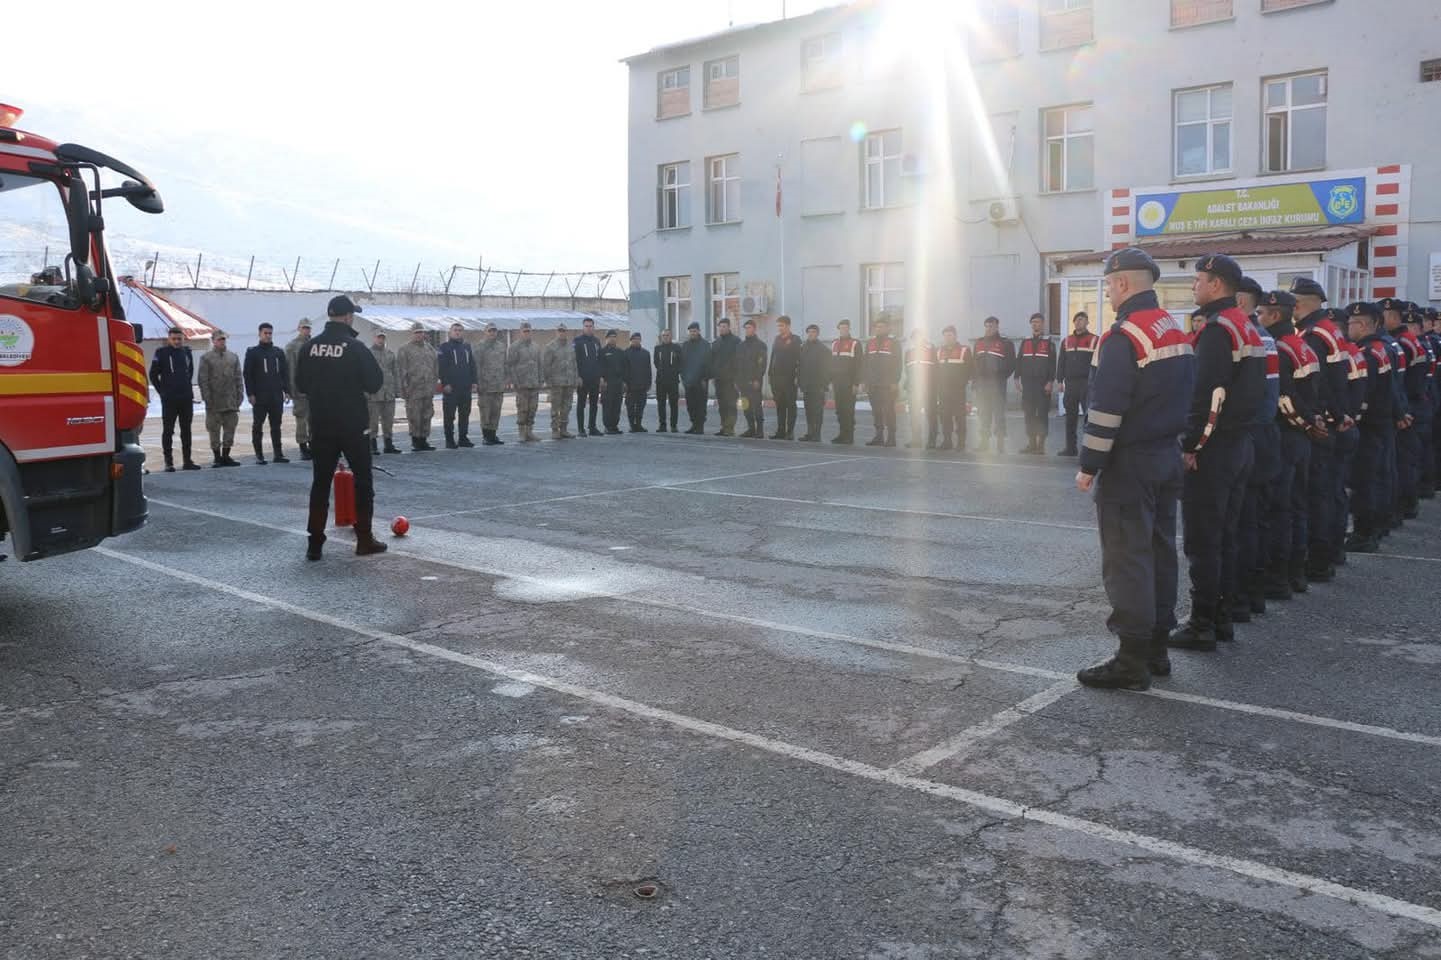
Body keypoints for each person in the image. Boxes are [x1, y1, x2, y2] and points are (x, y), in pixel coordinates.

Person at [1073, 248, 1195, 691]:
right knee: (1160, 551)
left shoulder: (1122, 334)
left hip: (1131, 462)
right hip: (1166, 455)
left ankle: (1131, 659)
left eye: (1108, 284)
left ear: (1122, 282)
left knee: (1128, 557)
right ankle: (1157, 648)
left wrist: (1089, 464)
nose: (1107, 292)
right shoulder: (1171, 328)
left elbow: (1106, 409)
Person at [1168, 254, 1265, 653]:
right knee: (1226, 534)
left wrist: (1192, 445)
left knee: (1203, 539)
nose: (1194, 286)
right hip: (1241, 444)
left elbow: (1207, 395)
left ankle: (1202, 622)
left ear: (1217, 284)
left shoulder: (1216, 329)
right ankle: (1221, 616)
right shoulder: (1245, 324)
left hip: (1215, 447)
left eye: (1199, 279)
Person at [294, 295, 386, 562]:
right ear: (347, 317)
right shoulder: (355, 347)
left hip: (321, 423)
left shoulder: (309, 347)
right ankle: (364, 539)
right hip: (353, 425)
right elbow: (374, 384)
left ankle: (315, 544)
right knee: (363, 482)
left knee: (320, 483)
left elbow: (300, 383)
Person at [1261, 290, 1323, 601]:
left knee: (1280, 508)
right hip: (1302, 436)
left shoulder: (1281, 348)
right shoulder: (1303, 344)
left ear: (1275, 315)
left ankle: (1279, 578)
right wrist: (1313, 422)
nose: (1258, 319)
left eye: (1262, 314)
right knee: (1298, 505)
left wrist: (1305, 424)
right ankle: (1296, 572)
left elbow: (1284, 399)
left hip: (1287, 435)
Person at [1290, 277, 1349, 583]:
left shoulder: (1312, 334)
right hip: (1336, 418)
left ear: (1300, 303)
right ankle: (1331, 552)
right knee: (1330, 491)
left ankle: (1318, 560)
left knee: (1315, 495)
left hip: (1321, 423)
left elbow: (1317, 383)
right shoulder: (1330, 329)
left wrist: (1318, 418)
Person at [1230, 276, 1280, 622]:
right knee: (1257, 520)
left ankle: (1240, 600)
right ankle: (1253, 595)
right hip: (1265, 433)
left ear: (1242, 302)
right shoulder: (1266, 337)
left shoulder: (1247, 336)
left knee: (1242, 522)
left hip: (1250, 435)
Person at [1344, 302, 1395, 553]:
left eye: (1350, 323)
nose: (1347, 328)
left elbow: (1364, 392)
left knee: (1364, 482)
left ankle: (1364, 534)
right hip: (1381, 422)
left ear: (1363, 325)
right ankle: (1375, 527)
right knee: (1377, 477)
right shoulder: (1380, 348)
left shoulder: (1366, 352)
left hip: (1369, 425)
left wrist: (1353, 417)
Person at [148, 326, 200, 472]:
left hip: (185, 398)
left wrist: (185, 388)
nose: (177, 341)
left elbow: (189, 372)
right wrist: (162, 392)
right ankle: (169, 462)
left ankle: (187, 461)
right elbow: (153, 375)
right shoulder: (161, 353)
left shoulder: (186, 352)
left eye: (179, 339)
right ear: (169, 339)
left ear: (183, 339)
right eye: (174, 339)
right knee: (168, 430)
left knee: (186, 430)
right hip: (169, 399)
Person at [243, 321, 291, 465]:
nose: (268, 336)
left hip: (276, 396)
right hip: (260, 397)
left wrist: (287, 391)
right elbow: (247, 374)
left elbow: (284, 373)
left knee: (276, 426)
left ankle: (278, 454)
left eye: (270, 333)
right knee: (258, 425)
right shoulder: (253, 352)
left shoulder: (278, 352)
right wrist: (250, 394)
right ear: (259, 334)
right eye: (265, 333)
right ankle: (259, 455)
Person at [197, 330, 242, 468]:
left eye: (223, 339)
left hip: (230, 401)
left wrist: (240, 395)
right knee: (214, 430)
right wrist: (207, 398)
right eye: (219, 339)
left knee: (230, 430)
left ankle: (226, 456)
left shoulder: (233, 357)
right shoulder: (206, 358)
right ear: (213, 341)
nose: (221, 342)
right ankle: (217, 457)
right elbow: (203, 380)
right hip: (214, 401)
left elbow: (238, 377)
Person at [1056, 312, 1098, 457]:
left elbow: (1099, 363)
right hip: (1071, 383)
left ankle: (1089, 450)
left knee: (1089, 417)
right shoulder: (1066, 341)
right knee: (1070, 418)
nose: (1079, 322)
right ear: (1074, 322)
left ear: (1087, 322)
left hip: (1087, 383)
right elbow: (1061, 362)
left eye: (1082, 320)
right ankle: (1070, 448)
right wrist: (1059, 381)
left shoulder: (1094, 340)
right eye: (1077, 320)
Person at [1015, 312, 1056, 455]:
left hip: (1042, 385)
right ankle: (1031, 444)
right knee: (1029, 414)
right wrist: (1016, 379)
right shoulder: (1025, 342)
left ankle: (1041, 445)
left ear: (1043, 324)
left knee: (1042, 414)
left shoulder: (1049, 342)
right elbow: (1019, 360)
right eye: (1033, 322)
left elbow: (1052, 364)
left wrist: (1050, 382)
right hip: (1028, 384)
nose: (1035, 324)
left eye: (1038, 322)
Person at [972, 316, 1015, 453]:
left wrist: (1000, 376)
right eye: (987, 326)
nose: (989, 328)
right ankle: (984, 443)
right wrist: (975, 382)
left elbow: (1011, 364)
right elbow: (974, 365)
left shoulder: (1005, 343)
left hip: (998, 384)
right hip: (982, 385)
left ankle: (1000, 445)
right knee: (984, 414)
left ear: (997, 326)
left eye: (991, 326)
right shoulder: (978, 343)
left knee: (999, 414)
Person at [397, 322, 438, 451]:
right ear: (412, 334)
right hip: (413, 389)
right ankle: (415, 441)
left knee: (427, 415)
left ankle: (424, 440)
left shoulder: (430, 348)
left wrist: (434, 383)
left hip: (427, 388)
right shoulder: (405, 349)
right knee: (414, 416)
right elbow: (401, 371)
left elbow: (435, 368)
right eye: (416, 332)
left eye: (421, 332)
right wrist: (403, 389)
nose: (419, 335)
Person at [437, 322, 478, 449]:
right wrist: (445, 383)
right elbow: (441, 367)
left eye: (460, 330)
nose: (458, 332)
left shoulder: (466, 347)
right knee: (449, 415)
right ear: (450, 332)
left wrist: (474, 382)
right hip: (451, 388)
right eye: (455, 330)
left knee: (464, 414)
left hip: (465, 387)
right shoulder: (444, 347)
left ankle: (463, 438)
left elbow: (472, 365)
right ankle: (449, 440)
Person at [864, 314, 901, 447]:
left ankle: (891, 438)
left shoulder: (894, 343)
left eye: (882, 327)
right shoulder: (870, 343)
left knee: (889, 411)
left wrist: (894, 381)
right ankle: (879, 436)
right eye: (877, 327)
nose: (879, 329)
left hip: (887, 385)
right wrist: (866, 382)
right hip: (873, 384)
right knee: (877, 411)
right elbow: (866, 363)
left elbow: (898, 364)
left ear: (888, 328)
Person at [935, 325, 971, 451]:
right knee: (945, 417)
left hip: (958, 390)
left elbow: (969, 369)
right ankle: (947, 441)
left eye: (950, 335)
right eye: (945, 335)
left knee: (960, 417)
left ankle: (961, 443)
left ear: (955, 336)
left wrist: (962, 383)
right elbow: (936, 370)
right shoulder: (939, 351)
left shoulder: (964, 350)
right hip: (943, 391)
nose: (947, 338)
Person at [507, 321, 544, 442]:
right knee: (522, 409)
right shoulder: (514, 347)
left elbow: (540, 364)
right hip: (521, 383)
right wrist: (514, 381)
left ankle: (529, 432)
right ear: (520, 332)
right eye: (525, 331)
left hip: (534, 383)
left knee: (532, 408)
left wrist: (541, 379)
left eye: (529, 331)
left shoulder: (536, 346)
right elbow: (510, 365)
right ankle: (522, 433)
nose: (527, 333)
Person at [543, 322, 579, 439]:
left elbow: (574, 364)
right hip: (556, 383)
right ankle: (555, 430)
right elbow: (546, 366)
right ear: (556, 332)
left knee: (567, 407)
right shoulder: (550, 347)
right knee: (555, 408)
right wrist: (548, 381)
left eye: (563, 331)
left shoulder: (570, 346)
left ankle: (563, 429)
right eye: (559, 331)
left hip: (569, 382)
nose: (561, 333)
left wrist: (576, 377)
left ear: (566, 332)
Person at [903, 329, 938, 449]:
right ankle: (916, 440)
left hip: (929, 389)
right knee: (914, 416)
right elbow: (907, 370)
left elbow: (937, 370)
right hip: (914, 390)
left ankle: (932, 441)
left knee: (931, 415)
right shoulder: (909, 352)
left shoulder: (932, 350)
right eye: (914, 338)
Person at [768, 315, 801, 440]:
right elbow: (773, 358)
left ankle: (790, 432)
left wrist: (797, 376)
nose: (779, 328)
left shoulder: (795, 340)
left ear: (788, 326)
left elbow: (800, 360)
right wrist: (770, 374)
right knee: (780, 406)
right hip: (777, 379)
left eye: (781, 326)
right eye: (778, 326)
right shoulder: (777, 339)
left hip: (790, 379)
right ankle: (780, 431)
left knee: (791, 405)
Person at [368, 332, 402, 455]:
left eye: (382, 338)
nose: (380, 340)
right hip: (374, 393)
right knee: (373, 421)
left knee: (388, 420)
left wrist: (398, 389)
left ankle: (388, 444)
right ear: (374, 338)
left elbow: (396, 372)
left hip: (389, 392)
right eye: (378, 337)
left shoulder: (390, 354)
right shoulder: (368, 353)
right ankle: (372, 445)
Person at [830, 319, 862, 445]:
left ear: (849, 329)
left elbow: (859, 365)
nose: (843, 330)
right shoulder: (834, 343)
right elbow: (831, 364)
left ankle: (849, 436)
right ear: (839, 329)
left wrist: (856, 383)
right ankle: (842, 434)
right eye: (841, 328)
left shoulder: (855, 343)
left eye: (845, 328)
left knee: (848, 410)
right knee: (839, 410)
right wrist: (831, 381)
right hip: (837, 382)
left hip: (849, 383)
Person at [285, 320, 313, 460]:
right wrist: (290, 389)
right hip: (300, 389)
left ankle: (313, 445)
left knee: (314, 419)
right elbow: (290, 369)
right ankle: (303, 447)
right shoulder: (292, 346)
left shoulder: (314, 344)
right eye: (304, 328)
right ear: (298, 328)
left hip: (314, 389)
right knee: (302, 418)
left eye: (308, 328)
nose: (306, 330)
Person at [476, 322, 508, 445]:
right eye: (490, 331)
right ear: (485, 332)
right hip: (485, 385)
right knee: (486, 412)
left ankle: (493, 435)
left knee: (496, 411)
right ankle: (486, 437)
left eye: (494, 331)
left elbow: (505, 363)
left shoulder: (501, 346)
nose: (492, 333)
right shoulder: (480, 346)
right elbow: (477, 366)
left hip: (498, 385)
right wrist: (478, 383)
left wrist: (506, 379)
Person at [797, 323, 830, 442]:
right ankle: (809, 433)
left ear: (817, 334)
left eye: (813, 332)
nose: (811, 334)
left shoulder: (823, 349)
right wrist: (800, 382)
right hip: (807, 386)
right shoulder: (803, 347)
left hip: (818, 386)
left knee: (817, 411)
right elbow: (800, 366)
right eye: (809, 332)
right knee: (808, 411)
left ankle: (817, 434)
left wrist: (824, 385)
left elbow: (827, 370)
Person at [737, 318, 769, 438]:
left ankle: (759, 431)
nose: (747, 330)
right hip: (742, 383)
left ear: (754, 329)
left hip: (754, 382)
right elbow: (737, 364)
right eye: (745, 328)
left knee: (756, 407)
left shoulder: (760, 345)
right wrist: (737, 380)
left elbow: (762, 364)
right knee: (745, 406)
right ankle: (751, 429)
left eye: (749, 328)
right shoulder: (741, 345)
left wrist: (757, 379)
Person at [680, 321, 711, 434]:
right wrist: (683, 378)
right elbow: (682, 363)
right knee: (691, 405)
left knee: (700, 405)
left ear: (698, 331)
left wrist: (705, 378)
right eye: (691, 331)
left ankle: (700, 427)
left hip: (701, 381)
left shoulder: (705, 345)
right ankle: (694, 425)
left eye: (694, 331)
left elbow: (708, 363)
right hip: (689, 381)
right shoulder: (686, 345)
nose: (692, 333)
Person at [574, 316, 603, 437]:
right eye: (586, 326)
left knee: (594, 404)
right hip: (583, 379)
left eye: (590, 326)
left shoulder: (596, 341)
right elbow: (574, 360)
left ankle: (592, 427)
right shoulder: (577, 341)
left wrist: (601, 376)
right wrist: (577, 376)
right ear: (583, 327)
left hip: (595, 378)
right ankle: (581, 429)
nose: (588, 328)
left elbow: (600, 360)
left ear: (594, 327)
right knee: (581, 404)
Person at [711, 318, 741, 436]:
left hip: (731, 380)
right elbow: (712, 360)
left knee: (731, 405)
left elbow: (739, 361)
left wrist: (737, 379)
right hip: (719, 380)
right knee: (722, 405)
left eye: (724, 326)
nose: (722, 328)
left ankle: (730, 428)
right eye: (720, 326)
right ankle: (724, 427)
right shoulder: (716, 342)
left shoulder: (736, 341)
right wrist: (713, 376)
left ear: (729, 327)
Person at [653, 328, 683, 432]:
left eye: (667, 335)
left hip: (673, 381)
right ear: (661, 337)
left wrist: (674, 372)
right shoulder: (657, 348)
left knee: (674, 404)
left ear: (671, 336)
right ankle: (662, 425)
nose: (665, 337)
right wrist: (662, 371)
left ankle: (674, 425)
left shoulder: (677, 348)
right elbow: (656, 362)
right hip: (660, 381)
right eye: (664, 335)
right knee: (661, 404)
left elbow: (680, 362)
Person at [598, 329, 628, 434]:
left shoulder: (620, 352)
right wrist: (602, 379)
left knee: (617, 405)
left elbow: (624, 368)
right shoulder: (602, 352)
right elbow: (600, 367)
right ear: (606, 338)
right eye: (610, 337)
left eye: (614, 337)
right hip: (607, 382)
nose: (612, 338)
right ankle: (607, 427)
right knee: (607, 405)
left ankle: (614, 426)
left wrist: (624, 381)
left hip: (618, 382)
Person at [623, 331, 653, 432]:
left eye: (638, 339)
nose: (636, 341)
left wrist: (649, 383)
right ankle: (632, 425)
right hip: (630, 386)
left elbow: (648, 369)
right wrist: (625, 383)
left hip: (642, 386)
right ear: (630, 340)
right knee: (630, 407)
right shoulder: (625, 353)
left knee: (641, 407)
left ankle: (639, 425)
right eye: (634, 339)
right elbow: (624, 370)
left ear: (640, 340)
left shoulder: (645, 353)